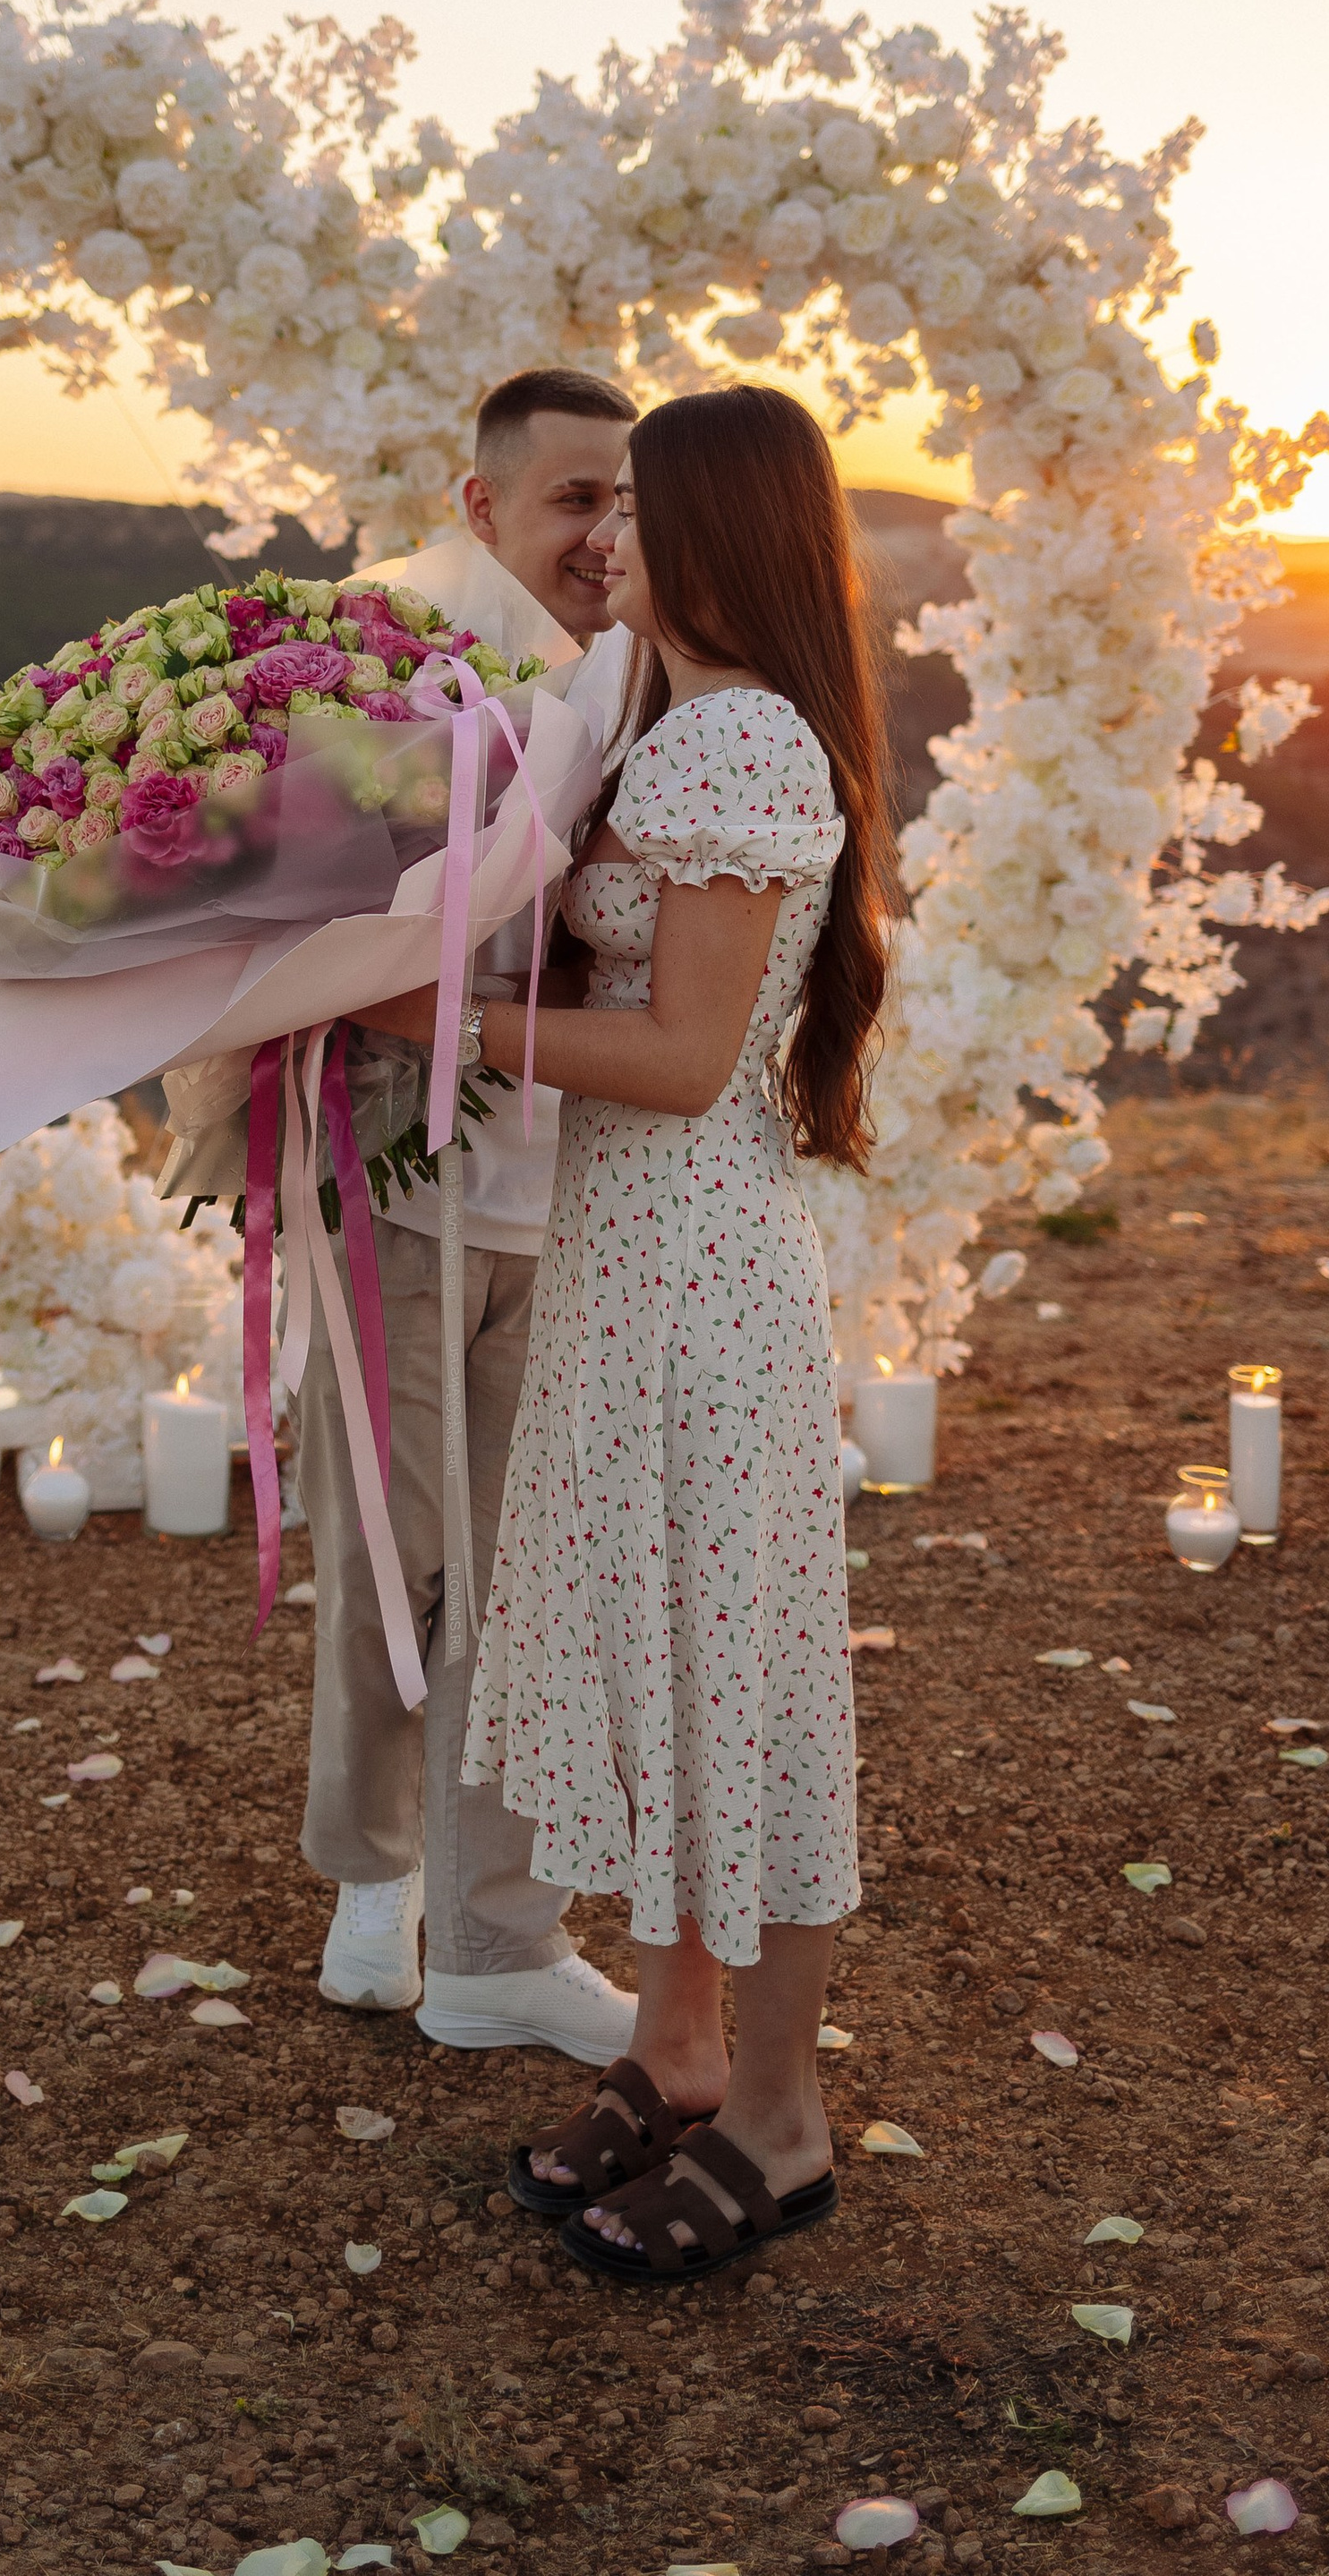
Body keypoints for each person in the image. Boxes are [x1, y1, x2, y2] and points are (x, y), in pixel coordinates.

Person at [360, 382, 892, 2282]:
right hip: (634, 1267)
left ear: (720, 533)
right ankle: (677, 2049)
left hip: (694, 1284)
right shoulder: (667, 724)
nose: (614, 544)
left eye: (644, 513)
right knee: (669, 1673)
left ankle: (779, 2116)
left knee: (732, 1695)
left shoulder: (737, 746)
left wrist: (427, 1023)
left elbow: (672, 1062)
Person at [294, 363, 648, 2062]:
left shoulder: (640, 688)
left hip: (571, 1196)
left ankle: (497, 1922)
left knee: (524, 1583)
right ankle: (377, 1879)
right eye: (575, 498)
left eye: (627, 500)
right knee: (394, 1552)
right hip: (395, 1176)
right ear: (481, 504)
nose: (606, 533)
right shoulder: (379, 676)